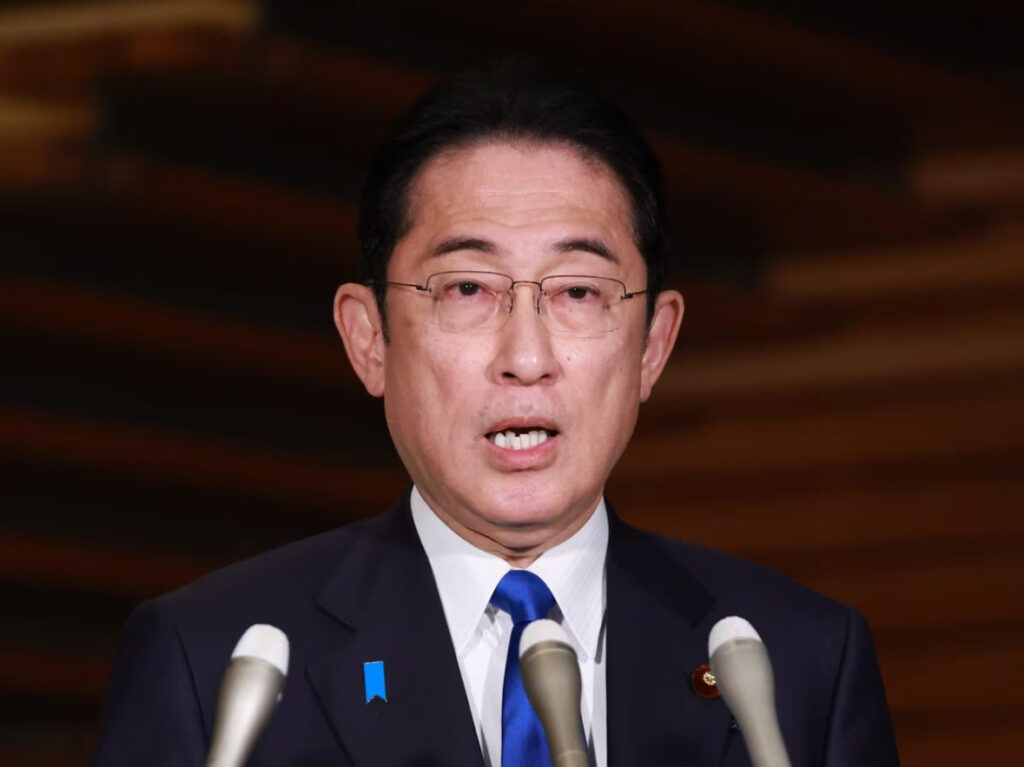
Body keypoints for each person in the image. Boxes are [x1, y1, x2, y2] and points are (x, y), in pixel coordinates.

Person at [91, 62, 900, 766]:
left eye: (577, 291)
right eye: (468, 289)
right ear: (368, 338)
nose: (526, 355)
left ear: (653, 345)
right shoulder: (213, 661)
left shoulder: (799, 663)